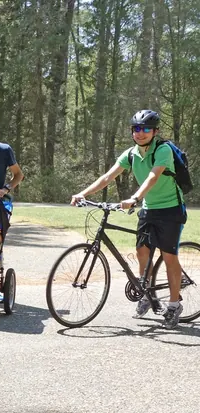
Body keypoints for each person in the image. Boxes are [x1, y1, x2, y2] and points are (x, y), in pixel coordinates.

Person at [71, 109, 187, 328]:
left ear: (155, 131)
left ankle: (173, 305)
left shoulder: (162, 150)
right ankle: (147, 295)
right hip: (149, 209)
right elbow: (107, 176)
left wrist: (134, 197)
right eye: (136, 129)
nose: (140, 133)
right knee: (142, 252)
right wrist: (83, 194)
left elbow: (153, 176)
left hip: (171, 209)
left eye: (145, 129)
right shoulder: (131, 154)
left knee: (168, 255)